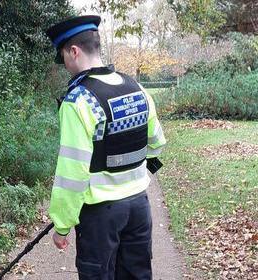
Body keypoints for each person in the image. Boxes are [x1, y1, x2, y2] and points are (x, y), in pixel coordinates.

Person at [45, 15, 166, 280]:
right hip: (139, 208)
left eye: (64, 57)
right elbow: (157, 143)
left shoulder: (77, 102)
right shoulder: (137, 89)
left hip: (101, 217)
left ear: (74, 52)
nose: (65, 65)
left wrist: (62, 226)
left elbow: (72, 174)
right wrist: (140, 175)